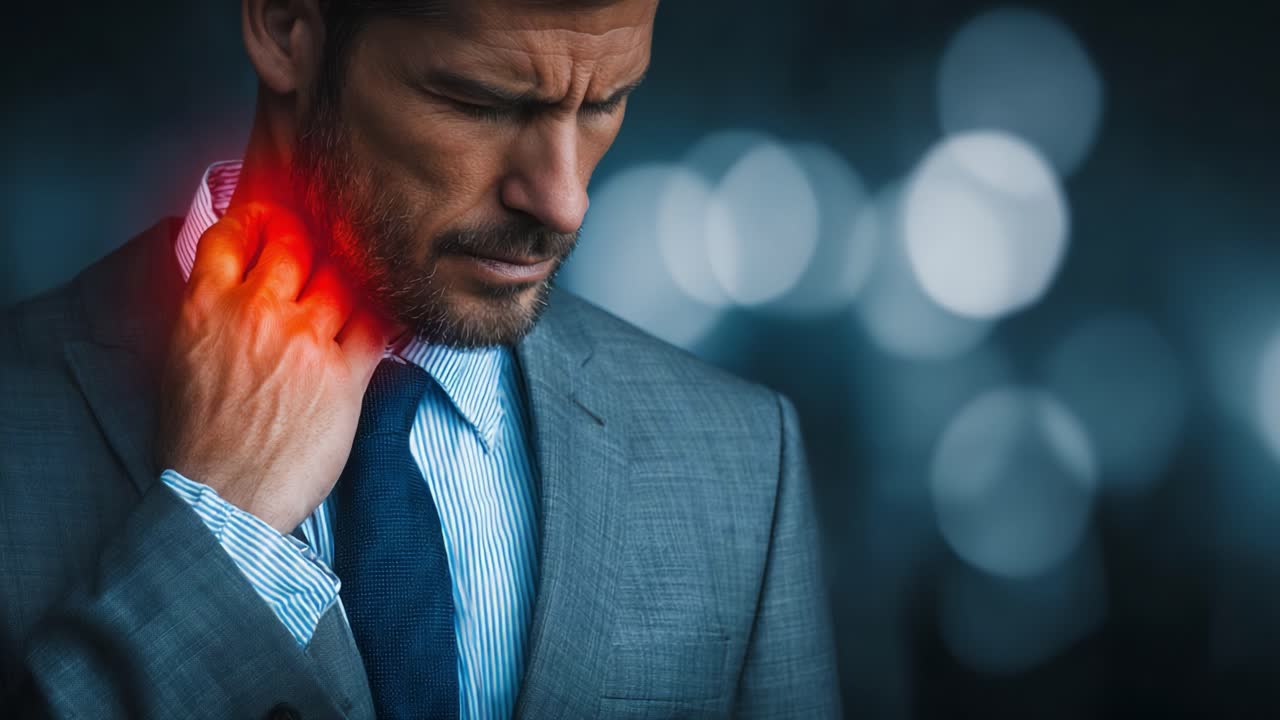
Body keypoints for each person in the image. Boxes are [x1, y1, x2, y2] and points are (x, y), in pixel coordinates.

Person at [0, 0, 840, 717]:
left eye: (605, 103)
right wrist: (221, 531)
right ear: (287, 27)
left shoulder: (743, 464)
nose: (563, 200)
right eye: (481, 101)